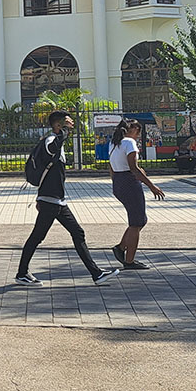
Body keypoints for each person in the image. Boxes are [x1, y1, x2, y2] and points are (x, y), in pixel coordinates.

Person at [15, 111, 120, 286]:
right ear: (57, 125)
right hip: (50, 200)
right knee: (37, 237)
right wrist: (63, 131)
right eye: (65, 123)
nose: (70, 126)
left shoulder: (57, 141)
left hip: (56, 200)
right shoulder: (50, 141)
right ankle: (22, 273)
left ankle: (96, 274)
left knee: (76, 232)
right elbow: (53, 148)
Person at [109, 117, 166, 269]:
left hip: (119, 181)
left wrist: (116, 183)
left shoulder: (114, 143)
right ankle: (129, 261)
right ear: (131, 130)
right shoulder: (129, 142)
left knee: (138, 220)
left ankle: (121, 248)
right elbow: (133, 168)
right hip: (129, 182)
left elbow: (112, 168)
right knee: (137, 222)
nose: (138, 133)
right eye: (137, 130)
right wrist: (152, 186)